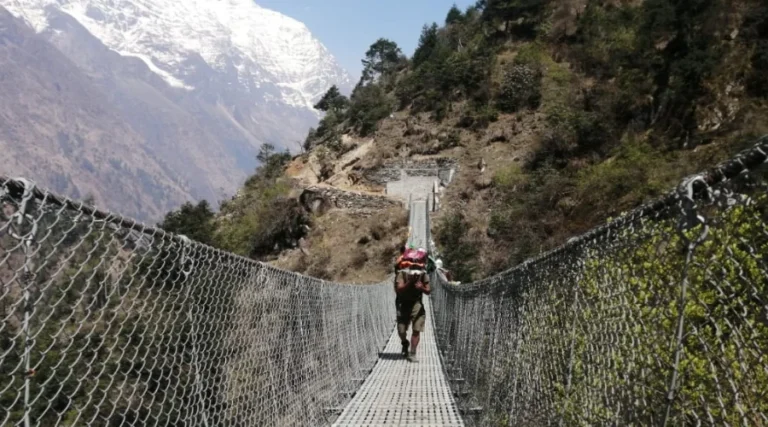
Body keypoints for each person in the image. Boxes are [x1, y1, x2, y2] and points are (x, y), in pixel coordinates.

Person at [394, 262, 431, 362]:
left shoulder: (423, 274)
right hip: (403, 303)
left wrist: (421, 288)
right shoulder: (402, 274)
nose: (416, 274)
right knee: (401, 330)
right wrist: (410, 282)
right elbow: (399, 290)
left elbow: (428, 291)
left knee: (416, 329)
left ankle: (412, 353)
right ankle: (405, 343)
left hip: (416, 303)